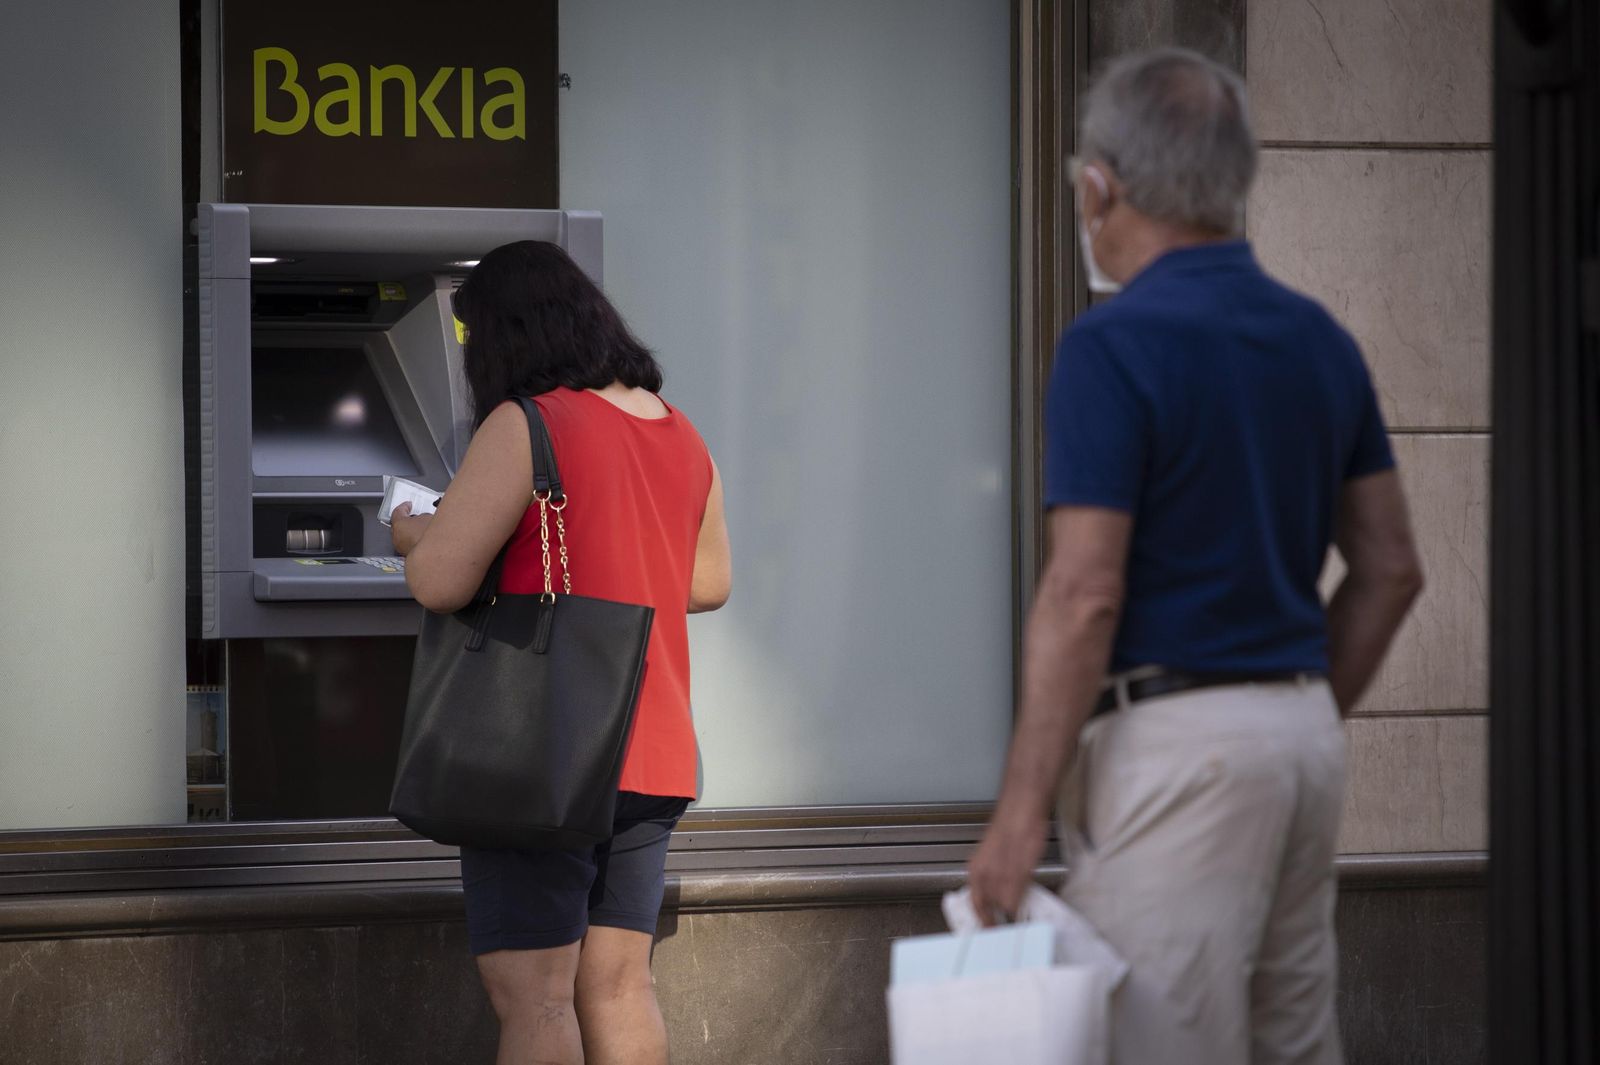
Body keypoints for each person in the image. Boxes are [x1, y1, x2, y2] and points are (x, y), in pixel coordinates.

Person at [966, 48, 1424, 1064]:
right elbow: (1391, 567)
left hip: (1176, 750)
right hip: (1301, 733)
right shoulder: (1320, 340)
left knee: (1163, 1044)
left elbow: (1083, 592)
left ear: (1101, 184)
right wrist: (1288, 707)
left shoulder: (1110, 345)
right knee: (1292, 1043)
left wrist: (1016, 816)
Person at [391, 240, 732, 1065]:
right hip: (651, 747)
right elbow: (709, 581)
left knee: (537, 1001)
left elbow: (439, 580)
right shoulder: (678, 429)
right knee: (621, 986)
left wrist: (411, 530)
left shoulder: (530, 423)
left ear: (508, 333)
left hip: (545, 749)